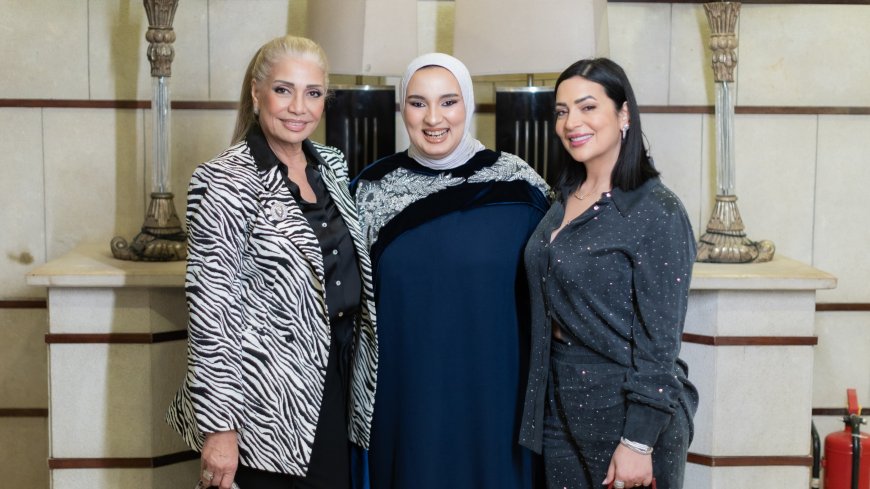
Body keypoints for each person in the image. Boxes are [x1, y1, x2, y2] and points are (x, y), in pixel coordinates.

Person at [165, 35, 377, 489]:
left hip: (338, 380)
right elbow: (210, 314)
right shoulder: (223, 180)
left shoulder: (332, 166)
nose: (298, 107)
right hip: (265, 399)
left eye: (313, 93)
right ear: (257, 92)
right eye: (284, 90)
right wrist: (219, 429)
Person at [351, 53, 549, 489]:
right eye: (418, 103)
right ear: (402, 109)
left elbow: (552, 294)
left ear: (468, 105)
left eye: (448, 101)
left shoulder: (520, 186)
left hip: (497, 401)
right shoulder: (370, 191)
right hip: (405, 401)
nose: (433, 118)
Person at [518, 58, 699, 489]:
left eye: (587, 107)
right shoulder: (562, 198)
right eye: (562, 111)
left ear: (623, 115)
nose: (571, 123)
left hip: (624, 409)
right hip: (558, 402)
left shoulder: (656, 210)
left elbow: (661, 344)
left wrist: (639, 440)